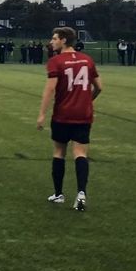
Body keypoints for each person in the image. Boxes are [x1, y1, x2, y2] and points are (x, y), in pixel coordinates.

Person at [37, 27, 103, 212]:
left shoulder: (56, 61)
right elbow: (99, 87)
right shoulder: (87, 60)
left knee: (59, 152)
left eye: (54, 38)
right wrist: (87, 100)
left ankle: (58, 194)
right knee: (80, 153)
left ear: (64, 40)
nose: (51, 42)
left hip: (63, 113)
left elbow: (50, 89)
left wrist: (42, 113)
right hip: (84, 114)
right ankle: (81, 192)